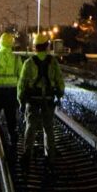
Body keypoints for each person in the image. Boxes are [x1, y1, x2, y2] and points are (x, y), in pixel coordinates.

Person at [18, 33, 65, 170]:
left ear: (35, 47)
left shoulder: (28, 63)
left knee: (30, 127)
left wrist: (20, 100)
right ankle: (50, 156)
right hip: (48, 99)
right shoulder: (53, 62)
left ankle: (27, 155)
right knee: (48, 128)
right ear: (47, 46)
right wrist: (60, 94)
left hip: (32, 100)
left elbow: (22, 83)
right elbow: (59, 81)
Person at [0, 32, 22, 152]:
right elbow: (21, 78)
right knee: (11, 121)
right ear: (11, 44)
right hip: (11, 93)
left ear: (0, 43)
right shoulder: (16, 59)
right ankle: (13, 144)